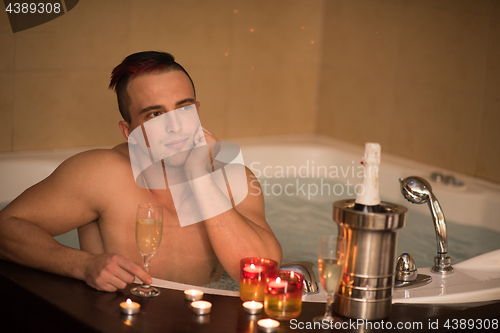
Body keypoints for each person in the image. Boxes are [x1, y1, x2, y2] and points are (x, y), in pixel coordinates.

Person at [0, 51, 282, 292]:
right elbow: (6, 226)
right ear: (129, 130)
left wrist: (201, 176)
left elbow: (263, 275)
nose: (176, 127)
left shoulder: (234, 178)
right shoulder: (102, 174)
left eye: (183, 108)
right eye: (155, 115)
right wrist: (83, 265)